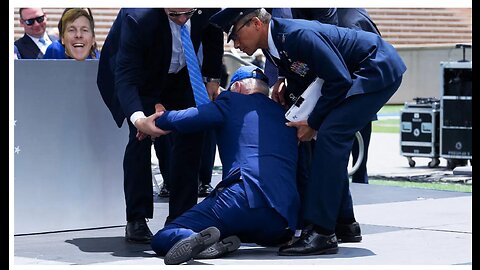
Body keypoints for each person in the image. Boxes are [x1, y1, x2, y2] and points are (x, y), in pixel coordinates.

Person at [210, 8, 406, 256]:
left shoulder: (296, 35)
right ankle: (344, 223)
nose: (236, 45)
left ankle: (323, 233)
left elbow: (339, 79)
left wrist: (312, 122)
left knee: (331, 135)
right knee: (329, 140)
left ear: (256, 23)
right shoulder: (277, 43)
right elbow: (309, 75)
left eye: (236, 36)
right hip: (355, 72)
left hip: (375, 69)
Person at [145, 65, 300, 265]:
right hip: (281, 217)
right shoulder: (285, 114)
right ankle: (224, 240)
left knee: (163, 236)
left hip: (240, 197)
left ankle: (190, 238)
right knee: (245, 228)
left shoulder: (232, 100)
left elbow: (190, 117)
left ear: (237, 87)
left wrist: (155, 121)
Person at [96, 8, 224, 243]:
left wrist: (213, 77)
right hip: (139, 74)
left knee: (191, 131)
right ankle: (136, 217)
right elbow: (126, 77)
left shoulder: (206, 8)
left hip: (182, 74)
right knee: (139, 138)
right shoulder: (137, 18)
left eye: (189, 13)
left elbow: (213, 30)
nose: (183, 19)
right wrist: (140, 119)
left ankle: (182, 218)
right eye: (175, 14)